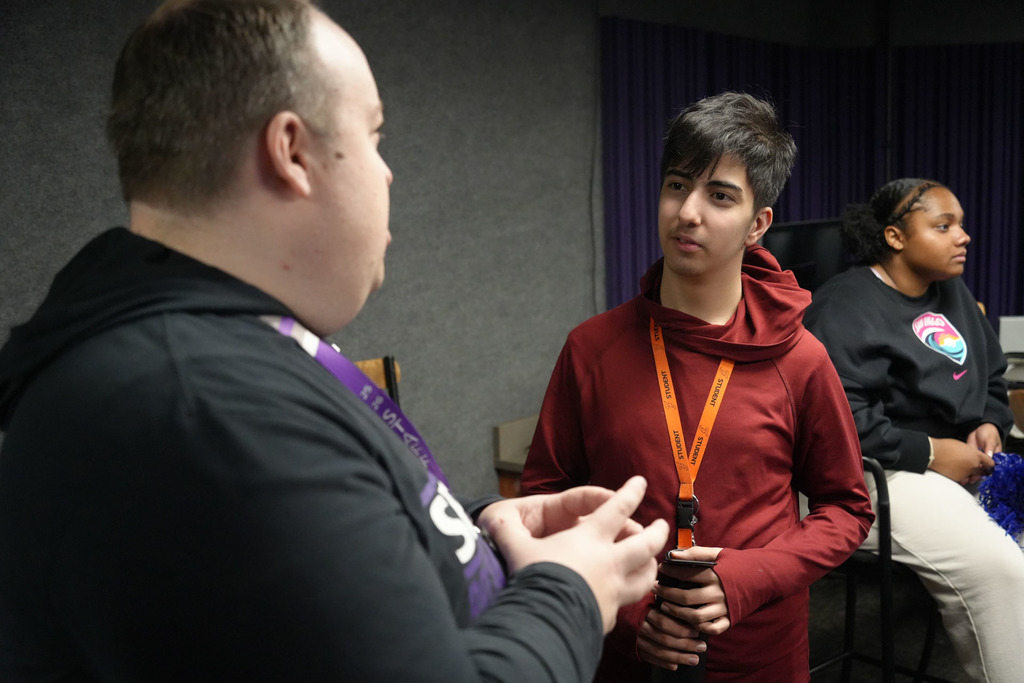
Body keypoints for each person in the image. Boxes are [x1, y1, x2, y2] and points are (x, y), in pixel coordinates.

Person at [0, 1, 672, 681]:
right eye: (374, 135)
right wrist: (571, 590)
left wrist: (479, 529)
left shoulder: (211, 346)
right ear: (292, 151)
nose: (386, 173)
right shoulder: (207, 404)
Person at [520, 91, 875, 682]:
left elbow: (846, 508)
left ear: (758, 224)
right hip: (621, 651)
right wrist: (633, 615)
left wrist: (745, 579)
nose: (688, 212)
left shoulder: (799, 358)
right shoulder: (591, 348)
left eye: (720, 196)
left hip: (758, 652)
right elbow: (543, 500)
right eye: (677, 185)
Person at [803, 178, 1024, 683]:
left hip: (959, 462)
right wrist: (931, 453)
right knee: (1000, 567)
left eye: (961, 225)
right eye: (943, 226)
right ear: (896, 237)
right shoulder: (843, 306)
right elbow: (837, 424)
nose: (963, 237)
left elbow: (991, 376)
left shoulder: (954, 292)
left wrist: (990, 422)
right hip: (876, 475)